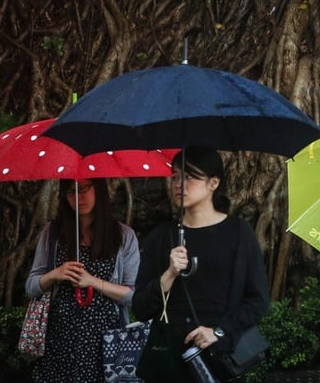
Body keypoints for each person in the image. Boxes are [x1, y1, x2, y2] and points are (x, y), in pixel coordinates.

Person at [132, 146, 270, 381]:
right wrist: (169, 274)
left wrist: (219, 331)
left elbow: (257, 301)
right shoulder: (162, 236)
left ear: (213, 183)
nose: (179, 184)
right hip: (170, 360)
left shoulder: (238, 233)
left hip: (220, 358)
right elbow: (140, 307)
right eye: (175, 176)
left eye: (190, 177)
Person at [25, 178, 140, 382]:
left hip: (106, 342)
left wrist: (93, 282)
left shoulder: (124, 236)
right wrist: (55, 274)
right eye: (71, 191)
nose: (78, 197)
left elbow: (133, 296)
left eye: (84, 189)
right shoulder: (52, 233)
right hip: (59, 340)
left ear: (100, 190)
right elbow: (31, 288)